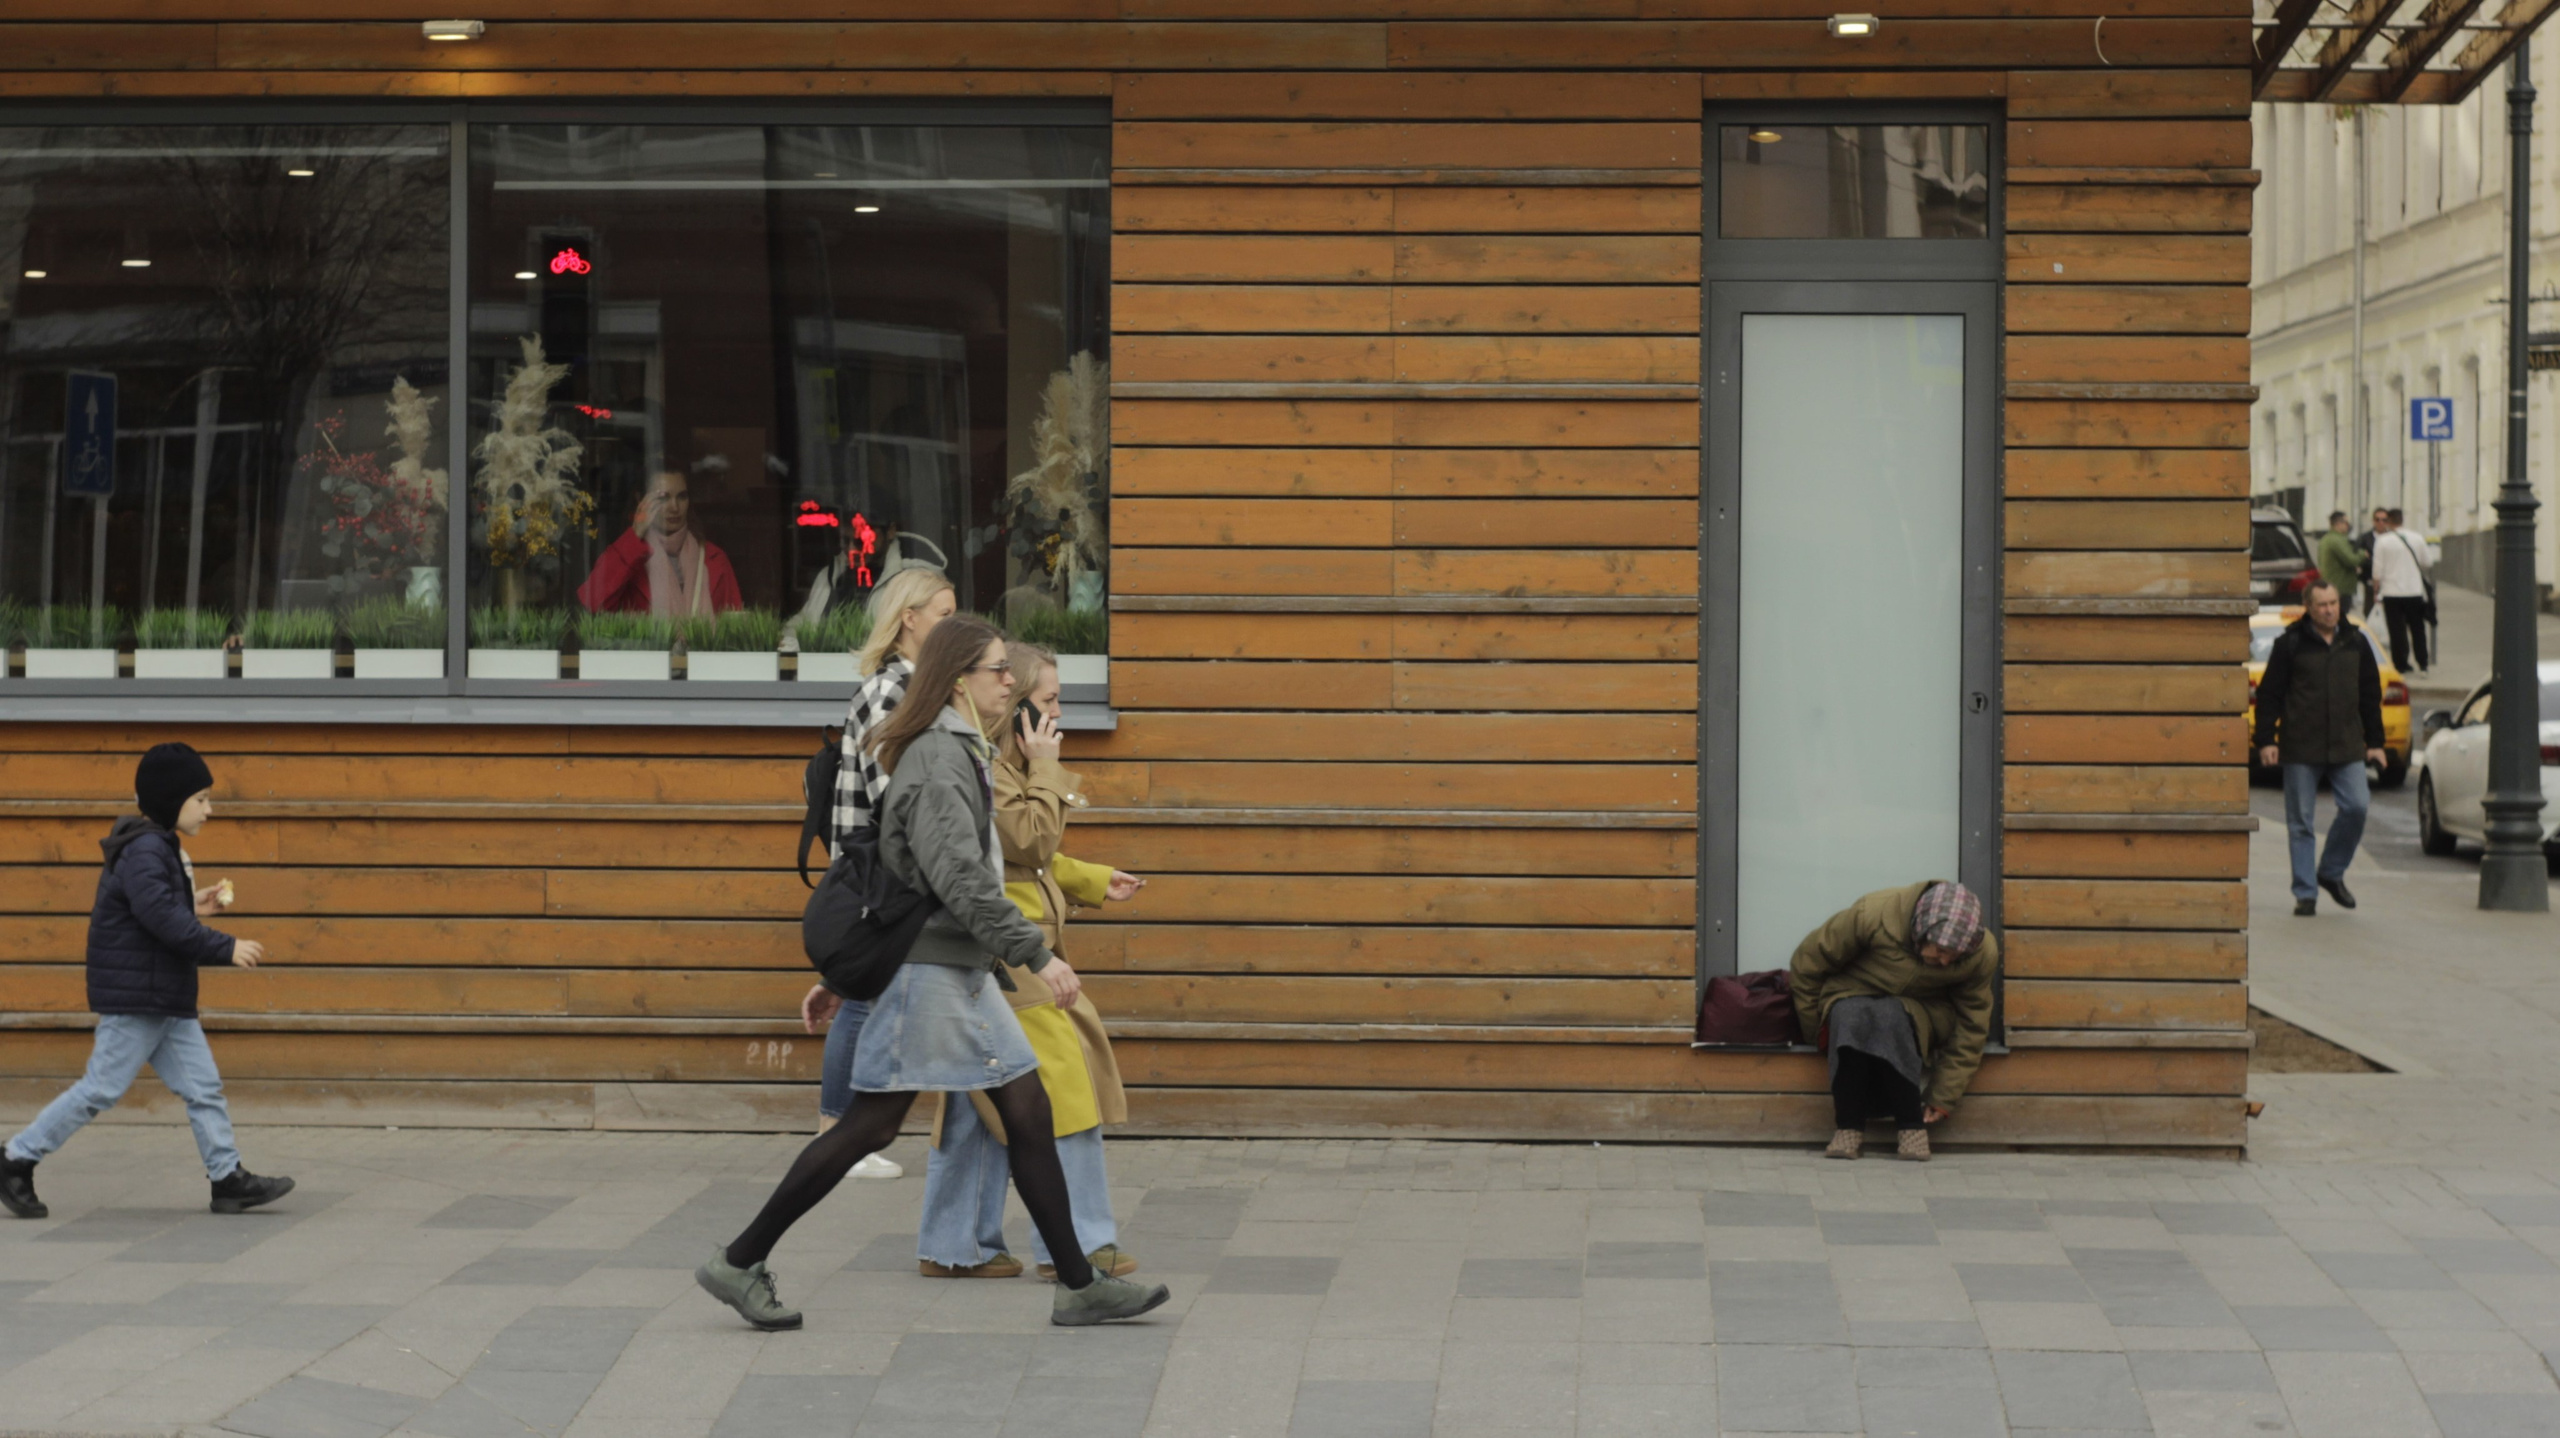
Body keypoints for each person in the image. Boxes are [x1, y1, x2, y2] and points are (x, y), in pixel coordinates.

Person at [697, 617, 1170, 1331]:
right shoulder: (940, 758)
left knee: (1023, 1109)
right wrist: (1037, 954)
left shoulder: (957, 750)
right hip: (935, 973)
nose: (1009, 680)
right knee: (871, 1126)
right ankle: (740, 1258)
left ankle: (1078, 1282)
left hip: (952, 967)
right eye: (996, 669)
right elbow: (959, 880)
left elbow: (910, 874)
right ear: (957, 681)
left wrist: (849, 979)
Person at [916, 640, 1144, 1282]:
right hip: (1009, 949)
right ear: (1016, 705)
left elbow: (1025, 859)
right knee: (1063, 1084)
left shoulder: (997, 763)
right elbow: (1030, 838)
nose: (1058, 714)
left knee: (982, 1091)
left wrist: (1090, 879)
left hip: (995, 945)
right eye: (1049, 700)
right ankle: (1082, 1244)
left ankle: (956, 1243)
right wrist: (1048, 768)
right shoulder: (985, 763)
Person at [0, 744, 295, 1220]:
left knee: (204, 1088)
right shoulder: (145, 849)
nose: (208, 809)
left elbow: (154, 911)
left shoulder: (156, 846)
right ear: (170, 800)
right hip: (139, 998)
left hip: (164, 997)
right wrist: (224, 946)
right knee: (100, 1089)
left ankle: (227, 1179)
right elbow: (161, 918)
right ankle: (15, 1158)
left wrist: (194, 906)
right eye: (200, 799)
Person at [795, 565, 962, 1180]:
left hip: (895, 867)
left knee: (867, 994)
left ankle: (842, 1136)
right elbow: (896, 789)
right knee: (865, 997)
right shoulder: (890, 690)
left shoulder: (922, 689)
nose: (953, 626)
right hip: (880, 870)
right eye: (944, 615)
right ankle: (837, 1137)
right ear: (909, 619)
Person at [1790, 880, 1997, 1163]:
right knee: (1851, 1014)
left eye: (1955, 956)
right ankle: (1848, 1129)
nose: (1946, 962)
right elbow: (1807, 964)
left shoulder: (1982, 953)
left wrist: (1943, 1096)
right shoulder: (1871, 915)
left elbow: (1972, 1024)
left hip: (1925, 1009)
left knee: (1891, 1014)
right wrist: (1817, 1033)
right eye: (1940, 951)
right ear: (1921, 931)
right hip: (1852, 991)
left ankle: (1912, 1128)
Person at [2253, 581, 2385, 916]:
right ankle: (2305, 893)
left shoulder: (2356, 642)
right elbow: (2269, 694)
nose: (2329, 610)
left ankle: (2330, 871)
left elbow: (2370, 696)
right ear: (2308, 608)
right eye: (2322, 605)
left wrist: (2376, 743)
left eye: (2333, 603)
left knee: (2357, 806)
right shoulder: (2290, 644)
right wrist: (2266, 740)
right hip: (2301, 746)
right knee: (2301, 822)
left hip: (2347, 744)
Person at [576, 470, 744, 616]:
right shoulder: (629, 554)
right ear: (641, 500)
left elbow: (735, 627)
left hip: (702, 646)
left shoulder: (714, 558)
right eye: (663, 498)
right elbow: (592, 602)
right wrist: (635, 535)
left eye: (682, 497)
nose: (674, 507)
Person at [2370, 507, 2436, 674]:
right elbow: (2427, 562)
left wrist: (2376, 591)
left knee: (2397, 631)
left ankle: (2401, 664)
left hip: (2391, 593)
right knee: (2418, 629)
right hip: (2414, 591)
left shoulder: (2382, 541)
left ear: (2389, 521)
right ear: (2402, 520)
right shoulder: (2417, 538)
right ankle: (2423, 663)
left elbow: (2377, 571)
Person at [2314, 510, 2363, 613]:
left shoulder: (2326, 539)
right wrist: (2362, 554)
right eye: (2346, 523)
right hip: (2341, 588)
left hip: (2330, 586)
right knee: (2340, 616)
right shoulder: (2337, 540)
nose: (2348, 526)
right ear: (2338, 524)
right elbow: (2351, 560)